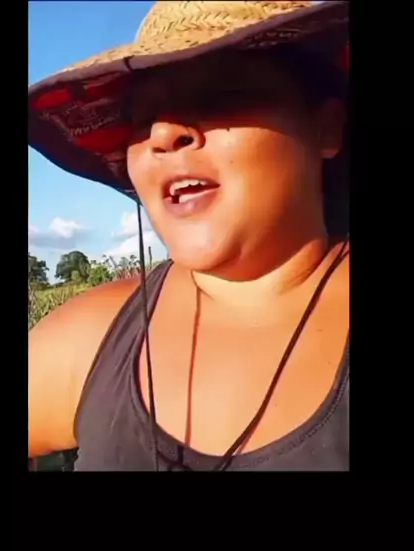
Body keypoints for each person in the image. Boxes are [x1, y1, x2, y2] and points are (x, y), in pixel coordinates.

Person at [28, 1, 349, 471]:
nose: (162, 133)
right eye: (142, 118)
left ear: (327, 128)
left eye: (219, 96)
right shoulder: (87, 336)